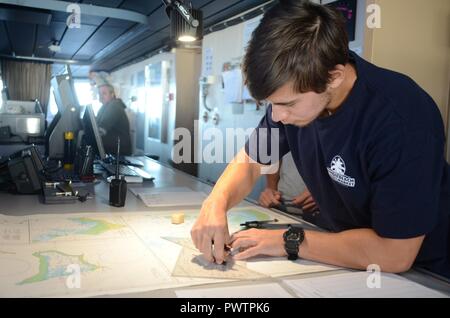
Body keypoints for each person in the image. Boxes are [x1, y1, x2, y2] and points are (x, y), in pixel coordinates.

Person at [191, 0, 450, 279]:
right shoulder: (292, 103)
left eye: (288, 104)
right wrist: (215, 203)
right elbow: (251, 160)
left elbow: (395, 253)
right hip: (348, 254)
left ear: (333, 77)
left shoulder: (400, 118)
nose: (277, 116)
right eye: (271, 104)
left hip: (424, 274)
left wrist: (287, 240)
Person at [258, 152, 319, 221]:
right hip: (281, 208)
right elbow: (274, 150)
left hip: (320, 214)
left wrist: (324, 191)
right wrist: (271, 189)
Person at [96, 83, 132, 156]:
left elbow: (101, 129)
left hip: (118, 153)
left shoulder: (114, 106)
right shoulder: (104, 107)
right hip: (112, 151)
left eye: (104, 93)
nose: (101, 96)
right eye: (99, 94)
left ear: (112, 94)